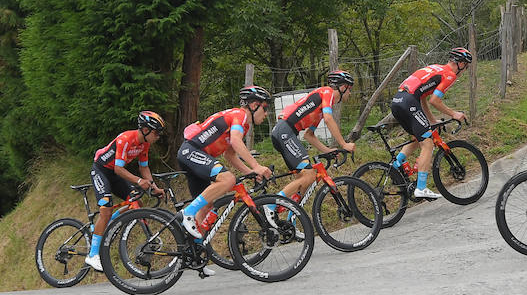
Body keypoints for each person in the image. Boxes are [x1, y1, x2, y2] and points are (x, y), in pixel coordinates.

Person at [177, 86, 273, 243]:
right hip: (192, 151)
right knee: (228, 179)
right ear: (254, 105)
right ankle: (187, 213)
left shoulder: (243, 124)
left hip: (193, 154)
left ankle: (193, 250)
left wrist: (250, 172)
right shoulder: (240, 115)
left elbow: (229, 154)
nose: (267, 113)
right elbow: (235, 141)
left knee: (206, 206)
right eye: (265, 108)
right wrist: (256, 166)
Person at [84, 111, 167, 272]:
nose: (158, 136)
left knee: (137, 201)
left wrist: (153, 187)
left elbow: (144, 167)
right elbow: (118, 168)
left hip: (115, 174)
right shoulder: (126, 139)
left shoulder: (145, 144)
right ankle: (93, 255)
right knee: (106, 210)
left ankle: (144, 234)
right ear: (145, 130)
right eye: (156, 132)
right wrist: (138, 181)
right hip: (101, 170)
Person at [388, 48, 473, 200]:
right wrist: (454, 114)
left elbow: (423, 98)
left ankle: (396, 165)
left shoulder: (436, 68)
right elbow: (435, 100)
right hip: (409, 102)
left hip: (397, 101)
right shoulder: (449, 75)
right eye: (465, 66)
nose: (465, 70)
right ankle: (421, 188)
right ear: (459, 64)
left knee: (417, 137)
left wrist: (432, 121)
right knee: (427, 144)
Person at [269, 70, 358, 211]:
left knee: (304, 182)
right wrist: (344, 144)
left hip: (284, 133)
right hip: (285, 132)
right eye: (349, 89)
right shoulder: (327, 92)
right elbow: (329, 119)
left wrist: (328, 151)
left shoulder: (319, 107)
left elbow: (309, 135)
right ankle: (270, 205)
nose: (350, 94)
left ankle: (290, 219)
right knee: (309, 175)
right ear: (342, 87)